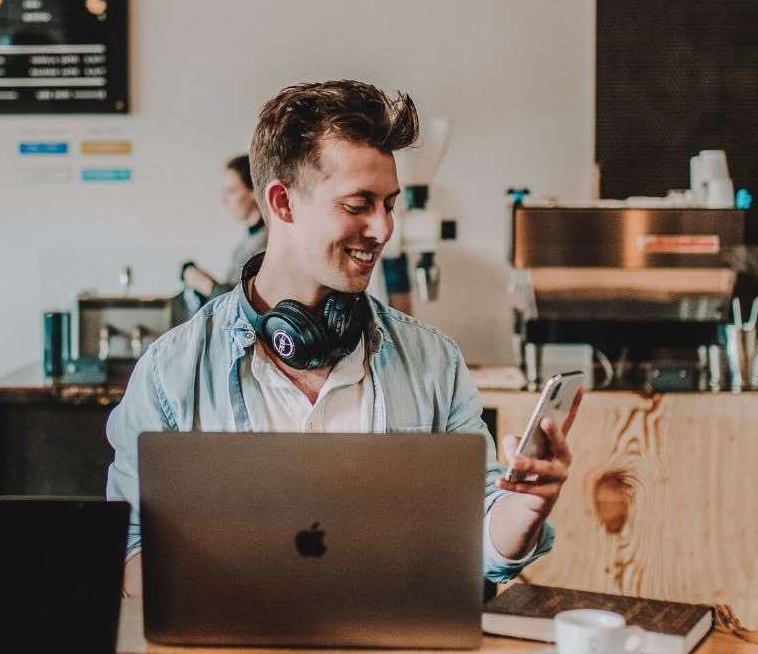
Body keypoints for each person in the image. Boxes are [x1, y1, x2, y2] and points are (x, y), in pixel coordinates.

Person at [106, 80, 579, 597]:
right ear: (283, 203)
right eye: (358, 205)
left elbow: (479, 544)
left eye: (389, 204)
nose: (382, 229)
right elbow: (130, 552)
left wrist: (525, 506)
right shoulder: (169, 373)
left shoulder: (433, 361)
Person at [182, 155, 269, 301]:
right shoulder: (250, 238)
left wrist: (206, 285)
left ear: (253, 191)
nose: (224, 200)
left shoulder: (266, 243)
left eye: (231, 191)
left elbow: (245, 305)